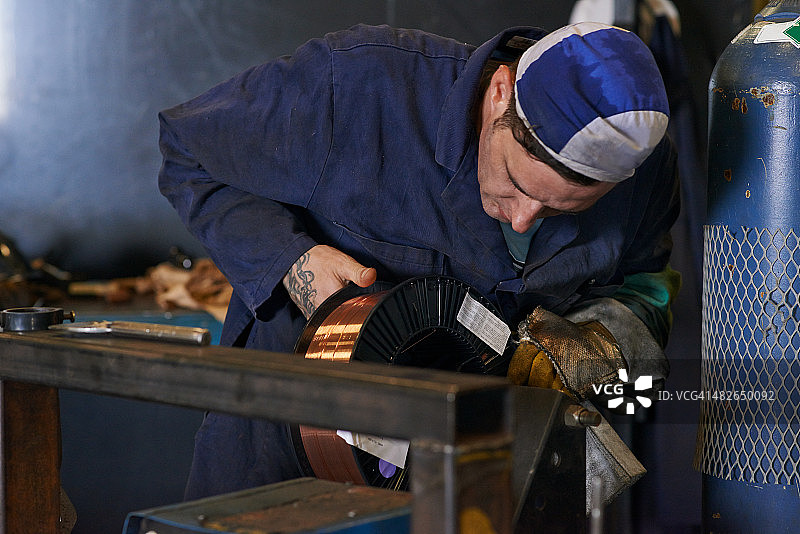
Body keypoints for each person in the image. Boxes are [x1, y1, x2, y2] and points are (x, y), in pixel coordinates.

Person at [158, 21, 681, 500]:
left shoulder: (647, 174)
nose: (523, 219)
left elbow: (644, 283)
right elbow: (190, 154)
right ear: (500, 94)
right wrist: (294, 260)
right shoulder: (357, 87)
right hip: (288, 445)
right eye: (518, 183)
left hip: (479, 467)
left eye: (562, 209)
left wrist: (597, 340)